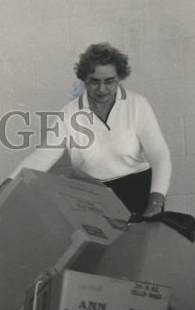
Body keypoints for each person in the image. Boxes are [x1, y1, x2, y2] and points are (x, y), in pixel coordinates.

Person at [9, 43, 171, 221]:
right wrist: (6, 188)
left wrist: (156, 202)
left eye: (110, 81)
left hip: (140, 192)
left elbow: (160, 155)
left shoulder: (137, 104)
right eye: (94, 81)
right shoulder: (68, 113)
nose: (102, 89)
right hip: (95, 197)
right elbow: (41, 157)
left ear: (119, 79)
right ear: (84, 80)